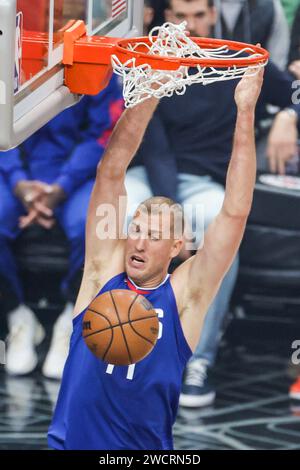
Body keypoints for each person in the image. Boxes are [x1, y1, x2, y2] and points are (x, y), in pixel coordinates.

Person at [48, 67, 264, 450]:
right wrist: (149, 92)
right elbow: (110, 171)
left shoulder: (186, 296)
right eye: (136, 230)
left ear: (177, 246)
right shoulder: (102, 273)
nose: (140, 243)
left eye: (154, 236)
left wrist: (245, 111)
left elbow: (235, 211)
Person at [126, 0, 300, 408]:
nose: (193, 26)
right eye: (182, 17)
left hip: (207, 181)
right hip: (152, 174)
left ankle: (196, 360)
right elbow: (157, 152)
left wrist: (289, 116)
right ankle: (121, 345)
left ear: (214, 16)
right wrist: (173, 221)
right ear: (167, 19)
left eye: (202, 16)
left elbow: (292, 89)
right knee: (123, 214)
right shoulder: (152, 64)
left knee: (219, 229)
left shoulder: (236, 57)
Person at [0, 75, 123, 379]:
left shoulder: (96, 62)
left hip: (75, 177)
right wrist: (19, 185)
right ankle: (17, 314)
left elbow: (101, 133)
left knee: (96, 222)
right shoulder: (8, 60)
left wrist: (61, 187)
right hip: (15, 175)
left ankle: (71, 318)